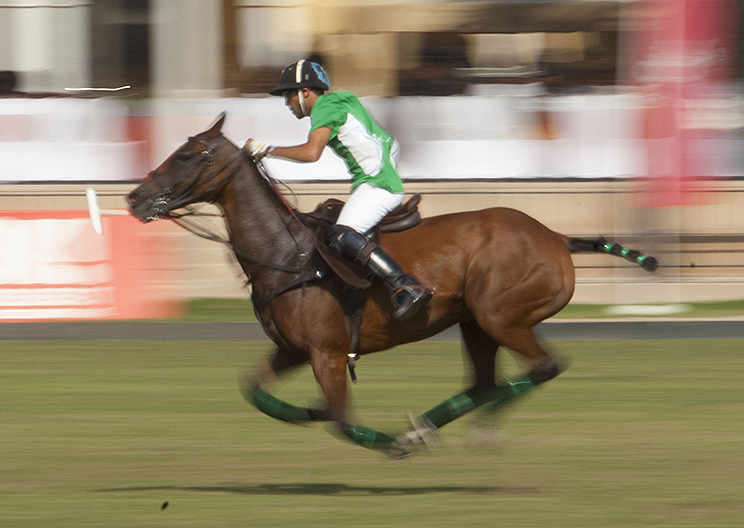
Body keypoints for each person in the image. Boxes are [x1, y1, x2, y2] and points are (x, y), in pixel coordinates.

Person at [244, 59, 432, 321]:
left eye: (288, 96)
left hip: (378, 186)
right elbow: (390, 144)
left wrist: (268, 150)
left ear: (305, 93)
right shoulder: (344, 100)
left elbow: (311, 154)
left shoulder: (325, 108)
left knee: (341, 236)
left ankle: (406, 286)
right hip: (381, 181)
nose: (287, 103)